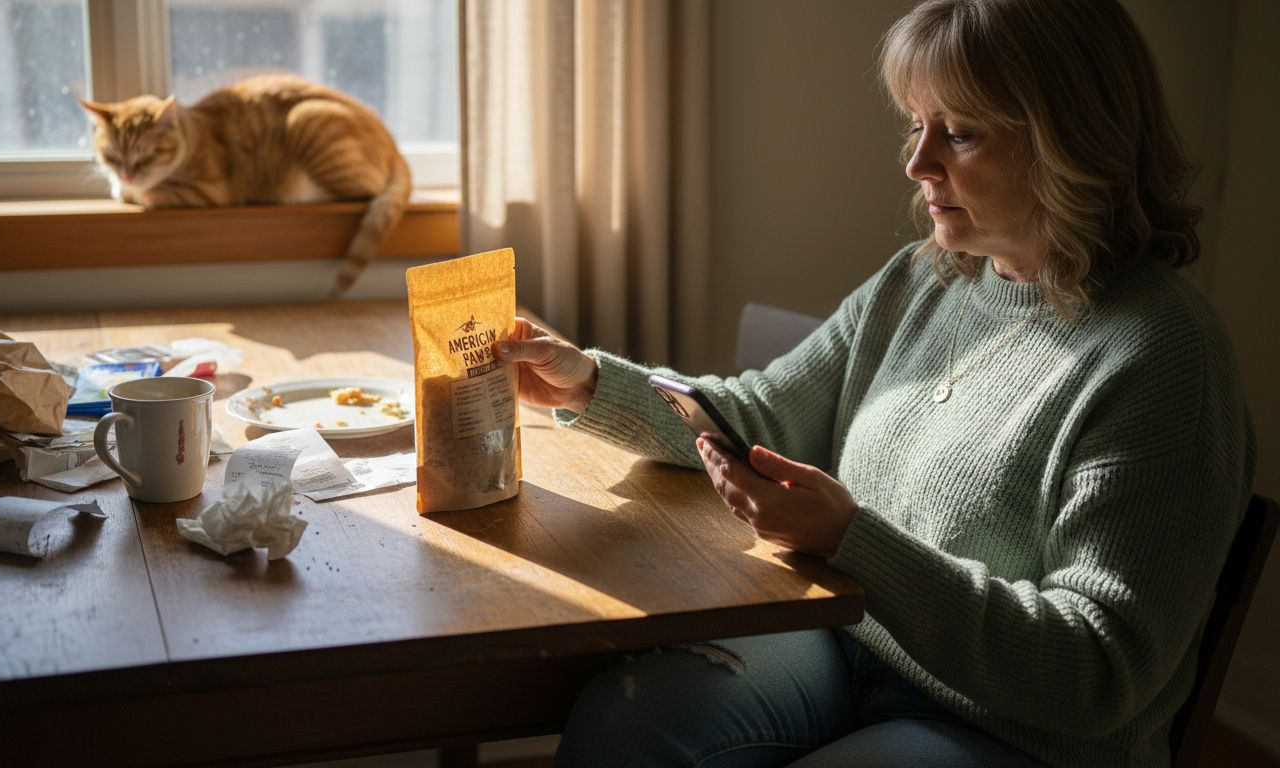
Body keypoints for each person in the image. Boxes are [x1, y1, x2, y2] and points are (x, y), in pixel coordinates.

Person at [493, 0, 1256, 765]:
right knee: (624, 723)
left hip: (1016, 734)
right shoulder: (926, 280)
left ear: (1071, 141)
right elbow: (763, 417)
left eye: (958, 134)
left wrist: (853, 544)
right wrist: (590, 382)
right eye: (916, 124)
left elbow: (1098, 672)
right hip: (853, 649)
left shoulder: (1162, 358)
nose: (917, 164)